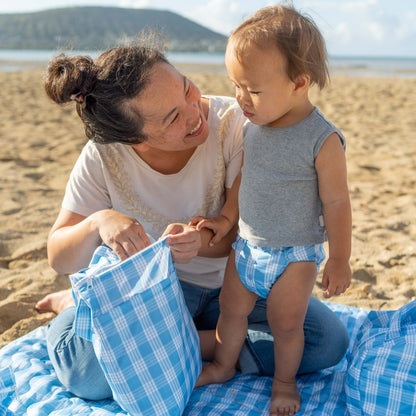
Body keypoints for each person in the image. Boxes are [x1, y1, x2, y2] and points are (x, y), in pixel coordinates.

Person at [36, 40, 350, 402]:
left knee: (327, 341)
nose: (194, 112)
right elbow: (59, 256)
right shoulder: (104, 156)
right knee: (85, 372)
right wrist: (99, 223)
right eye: (173, 118)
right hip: (153, 295)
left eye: (186, 88)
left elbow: (251, 229)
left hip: (236, 285)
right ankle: (208, 341)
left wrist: (200, 244)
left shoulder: (237, 124)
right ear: (134, 141)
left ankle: (183, 342)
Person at [192, 5, 352, 416]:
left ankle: (283, 383)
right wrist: (227, 219)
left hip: (293, 256)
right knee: (231, 312)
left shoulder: (322, 139)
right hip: (246, 246)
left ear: (299, 83)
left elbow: (337, 203)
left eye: (254, 90)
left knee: (286, 326)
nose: (241, 98)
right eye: (235, 85)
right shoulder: (254, 125)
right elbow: (248, 178)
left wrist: (339, 258)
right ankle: (224, 365)